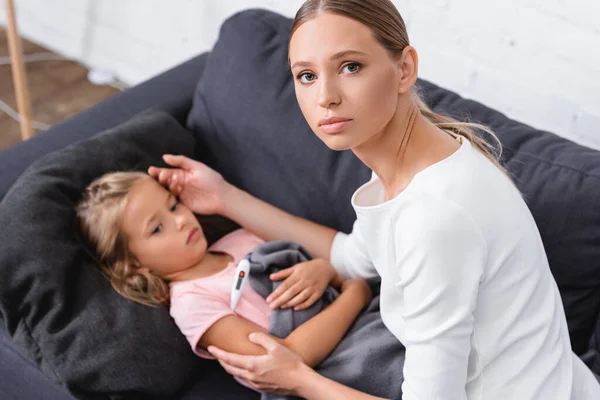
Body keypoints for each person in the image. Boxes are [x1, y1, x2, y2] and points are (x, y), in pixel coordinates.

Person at [147, 0, 600, 399]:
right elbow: (351, 255)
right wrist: (223, 197)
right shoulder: (418, 164)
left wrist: (299, 379)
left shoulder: (436, 216)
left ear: (404, 69)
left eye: (350, 67)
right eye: (306, 76)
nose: (325, 97)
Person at [74, 170, 373, 391]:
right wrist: (355, 292)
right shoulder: (193, 304)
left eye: (174, 205)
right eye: (157, 228)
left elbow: (326, 272)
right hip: (337, 371)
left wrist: (323, 270)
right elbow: (287, 359)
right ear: (134, 265)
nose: (180, 220)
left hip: (364, 326)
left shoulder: (241, 239)